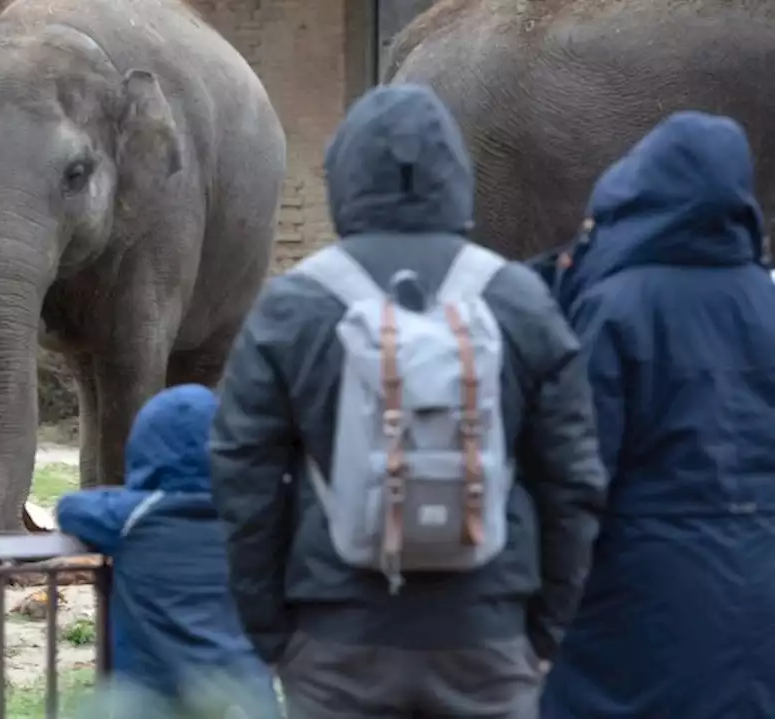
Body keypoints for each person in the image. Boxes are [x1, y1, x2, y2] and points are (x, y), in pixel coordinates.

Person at [209, 83, 609, 719]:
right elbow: (573, 480)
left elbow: (242, 479)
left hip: (336, 636)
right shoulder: (518, 300)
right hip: (488, 634)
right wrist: (543, 627)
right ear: (457, 176)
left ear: (342, 177)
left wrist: (274, 632)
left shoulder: (294, 305)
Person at [539, 112, 775, 718]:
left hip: (633, 597)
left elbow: (578, 472)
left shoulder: (616, 307)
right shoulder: (767, 304)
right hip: (757, 596)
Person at [56, 384, 280, 718]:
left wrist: (131, 493)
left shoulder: (131, 516)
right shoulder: (250, 517)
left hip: (156, 698)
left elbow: (69, 508)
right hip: (246, 697)